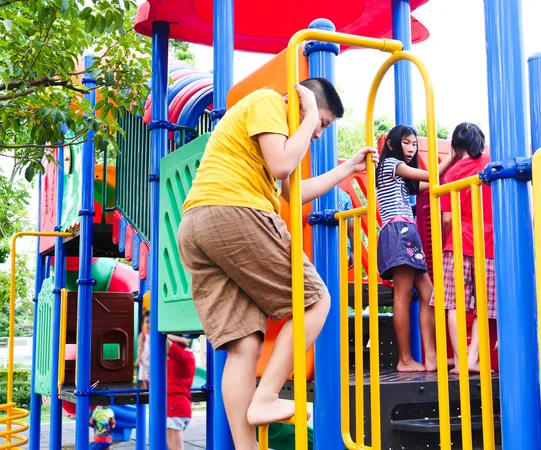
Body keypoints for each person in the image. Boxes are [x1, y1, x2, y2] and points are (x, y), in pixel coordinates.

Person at [177, 77, 378, 449]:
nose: (318, 134)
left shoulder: (269, 133)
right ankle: (266, 394)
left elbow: (294, 192)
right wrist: (307, 120)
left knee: (244, 344)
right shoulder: (269, 101)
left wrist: (347, 169)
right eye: (323, 123)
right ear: (303, 102)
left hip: (198, 226)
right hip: (234, 212)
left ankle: (245, 445)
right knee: (316, 300)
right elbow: (283, 166)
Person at [376, 124, 455, 372]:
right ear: (391, 145)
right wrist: (451, 157)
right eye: (406, 143)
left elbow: (428, 185)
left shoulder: (400, 176)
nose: (411, 148)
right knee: (403, 294)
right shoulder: (390, 165)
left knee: (429, 294)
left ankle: (430, 358)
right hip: (397, 230)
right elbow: (431, 176)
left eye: (414, 144)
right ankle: (405, 360)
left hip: (407, 232)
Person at [433, 122, 495, 374]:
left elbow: (447, 219)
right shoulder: (491, 164)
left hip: (458, 243)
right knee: (485, 305)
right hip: (489, 245)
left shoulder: (451, 174)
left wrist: (449, 240)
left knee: (455, 303)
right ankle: (473, 358)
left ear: (456, 147)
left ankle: (459, 361)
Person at [166, 334, 196, 450]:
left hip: (175, 406)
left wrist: (182, 339)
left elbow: (162, 338)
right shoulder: (185, 355)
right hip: (179, 406)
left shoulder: (182, 355)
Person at [337, 187, 355, 268]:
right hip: (342, 243)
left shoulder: (315, 193)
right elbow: (351, 227)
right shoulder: (344, 196)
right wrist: (353, 251)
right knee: (339, 276)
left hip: (315, 242)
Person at [135, 311, 150, 387]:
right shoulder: (143, 335)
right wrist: (139, 357)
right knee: (145, 375)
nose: (149, 324)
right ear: (143, 324)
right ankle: (146, 388)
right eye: (147, 322)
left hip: (153, 359)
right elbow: (140, 347)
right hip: (145, 358)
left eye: (150, 322)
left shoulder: (157, 335)